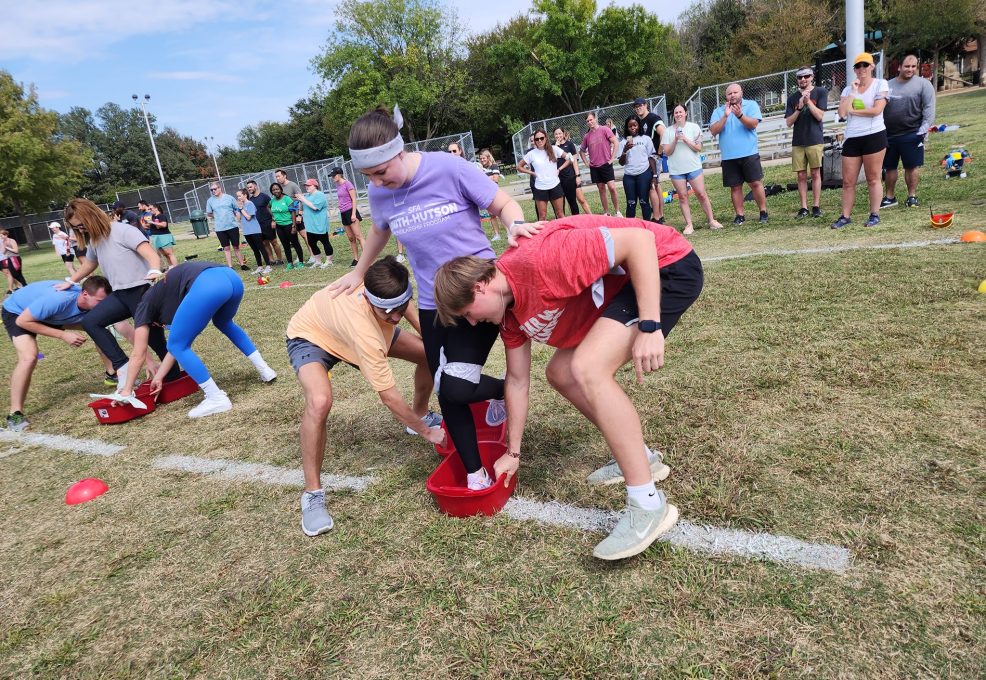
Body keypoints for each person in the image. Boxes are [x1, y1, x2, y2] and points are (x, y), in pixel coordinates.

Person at [432, 213, 703, 560]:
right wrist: (513, 453)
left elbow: (640, 242)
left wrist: (650, 325)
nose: (473, 322)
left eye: (469, 312)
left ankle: (647, 504)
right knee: (560, 372)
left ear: (480, 287)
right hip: (629, 285)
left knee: (587, 368)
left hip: (666, 267)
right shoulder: (508, 314)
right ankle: (643, 459)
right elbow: (516, 381)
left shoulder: (539, 260)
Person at [329, 105, 528, 491]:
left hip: (476, 293)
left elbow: (502, 204)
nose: (378, 183)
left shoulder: (448, 169)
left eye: (382, 172)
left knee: (456, 386)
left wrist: (515, 225)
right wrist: (357, 270)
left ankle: (508, 388)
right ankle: (474, 473)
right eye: (368, 176)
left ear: (398, 152)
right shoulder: (379, 191)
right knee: (444, 384)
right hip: (432, 304)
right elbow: (379, 231)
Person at [287, 256, 445, 535]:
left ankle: (419, 412)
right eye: (388, 312)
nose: (396, 317)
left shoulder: (384, 288)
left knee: (429, 354)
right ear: (369, 300)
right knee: (320, 401)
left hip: (349, 325)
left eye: (399, 307)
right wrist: (427, 433)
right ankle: (312, 495)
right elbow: (389, 398)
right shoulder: (365, 333)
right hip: (312, 335)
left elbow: (402, 309)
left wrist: (436, 344)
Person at [114, 261, 277, 418]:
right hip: (231, 277)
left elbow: (139, 351)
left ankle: (216, 398)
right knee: (223, 322)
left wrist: (127, 390)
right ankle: (265, 369)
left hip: (209, 284)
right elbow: (177, 347)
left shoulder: (144, 307)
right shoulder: (167, 294)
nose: (164, 326)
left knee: (178, 344)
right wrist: (159, 377)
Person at [60, 198, 176, 389]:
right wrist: (71, 281)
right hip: (120, 295)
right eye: (76, 228)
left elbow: (151, 254)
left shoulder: (123, 231)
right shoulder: (95, 240)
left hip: (141, 292)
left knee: (155, 340)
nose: (81, 230)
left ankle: (172, 377)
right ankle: (122, 364)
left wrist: (154, 270)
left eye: (81, 225)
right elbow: (90, 263)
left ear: (91, 216)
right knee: (91, 322)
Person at [3, 277, 112, 431]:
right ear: (85, 295)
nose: (103, 306)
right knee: (29, 357)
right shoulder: (59, 300)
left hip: (51, 315)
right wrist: (63, 335)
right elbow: (23, 321)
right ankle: (15, 414)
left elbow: (124, 328)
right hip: (18, 313)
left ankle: (112, 373)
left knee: (98, 328)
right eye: (100, 301)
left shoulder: (88, 303)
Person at [832, 52, 890, 229]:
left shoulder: (881, 84)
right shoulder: (848, 89)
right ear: (854, 70)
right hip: (852, 137)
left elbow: (876, 111)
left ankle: (874, 214)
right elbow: (842, 113)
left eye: (865, 65)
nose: (862, 69)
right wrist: (853, 93)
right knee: (848, 181)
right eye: (858, 66)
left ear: (872, 66)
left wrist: (854, 111)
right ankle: (845, 216)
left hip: (874, 135)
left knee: (873, 178)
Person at [709, 83, 769, 225]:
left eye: (735, 92)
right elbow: (713, 130)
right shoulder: (718, 111)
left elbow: (753, 124)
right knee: (735, 187)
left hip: (749, 153)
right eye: (730, 93)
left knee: (755, 183)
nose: (733, 95)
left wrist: (740, 115)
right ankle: (740, 215)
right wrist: (725, 115)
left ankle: (763, 211)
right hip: (729, 156)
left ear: (741, 93)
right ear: (726, 96)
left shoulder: (751, 105)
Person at [881, 54, 936, 209]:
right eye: (907, 66)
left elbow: (929, 108)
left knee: (911, 167)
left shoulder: (923, 85)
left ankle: (912, 196)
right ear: (899, 67)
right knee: (889, 167)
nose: (910, 69)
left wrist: (924, 129)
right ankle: (889, 197)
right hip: (889, 134)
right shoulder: (887, 85)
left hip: (912, 133)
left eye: (913, 66)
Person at [661, 104, 723, 233]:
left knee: (701, 194)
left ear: (686, 113)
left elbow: (698, 148)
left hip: (693, 167)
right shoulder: (668, 131)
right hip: (677, 170)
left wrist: (685, 139)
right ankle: (689, 224)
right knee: (683, 197)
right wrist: (675, 140)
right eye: (676, 112)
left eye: (680, 112)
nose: (678, 114)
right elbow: (667, 152)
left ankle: (711, 220)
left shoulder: (694, 127)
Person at [785, 66, 828, 219]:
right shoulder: (792, 98)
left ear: (812, 77)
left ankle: (816, 206)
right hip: (798, 141)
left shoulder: (821, 92)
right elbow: (789, 122)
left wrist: (808, 102)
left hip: (814, 139)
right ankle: (803, 207)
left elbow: (819, 116)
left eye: (806, 76)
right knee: (801, 176)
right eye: (800, 77)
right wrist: (799, 107)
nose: (803, 79)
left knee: (816, 173)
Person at [518, 129, 571, 221]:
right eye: (537, 139)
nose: (539, 141)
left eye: (541, 138)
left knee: (560, 214)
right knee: (542, 216)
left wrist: (559, 169)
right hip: (540, 188)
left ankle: (563, 234)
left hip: (555, 185)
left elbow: (569, 158)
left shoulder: (554, 149)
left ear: (546, 138)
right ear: (534, 141)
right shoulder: (531, 154)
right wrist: (532, 173)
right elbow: (519, 167)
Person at [580, 112, 622, 217]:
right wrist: (586, 162)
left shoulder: (604, 129)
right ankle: (606, 213)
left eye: (591, 119)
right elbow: (581, 151)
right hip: (594, 167)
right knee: (601, 189)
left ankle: (617, 211)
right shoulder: (587, 136)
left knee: (612, 187)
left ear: (595, 118)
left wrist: (612, 158)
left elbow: (616, 142)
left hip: (606, 164)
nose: (590, 122)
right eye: (587, 121)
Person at [633, 97, 667, 223]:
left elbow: (663, 133)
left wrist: (658, 153)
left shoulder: (653, 118)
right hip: (645, 159)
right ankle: (660, 215)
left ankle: (657, 216)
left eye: (640, 105)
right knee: (656, 186)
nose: (638, 108)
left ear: (646, 105)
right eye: (636, 107)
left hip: (653, 158)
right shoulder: (639, 121)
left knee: (652, 186)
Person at [618, 116, 657, 221]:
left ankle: (647, 225)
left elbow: (651, 158)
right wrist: (625, 150)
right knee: (631, 203)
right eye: (630, 126)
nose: (632, 128)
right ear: (627, 128)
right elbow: (621, 163)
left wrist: (654, 175)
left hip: (644, 174)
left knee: (644, 202)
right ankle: (631, 229)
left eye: (635, 125)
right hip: (629, 177)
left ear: (639, 126)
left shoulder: (646, 139)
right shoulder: (623, 143)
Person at [205, 182, 249, 270]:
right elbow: (209, 213)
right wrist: (218, 216)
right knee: (226, 248)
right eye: (211, 190)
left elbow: (236, 209)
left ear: (219, 188)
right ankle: (230, 266)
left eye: (215, 189)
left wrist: (237, 218)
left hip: (232, 226)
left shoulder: (229, 198)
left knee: (236, 246)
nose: (213, 191)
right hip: (220, 228)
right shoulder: (210, 201)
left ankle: (242, 264)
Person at [275, 169, 315, 262]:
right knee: (293, 237)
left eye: (279, 176)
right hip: (287, 218)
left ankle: (313, 255)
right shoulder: (279, 188)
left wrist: (299, 214)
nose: (277, 178)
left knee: (304, 235)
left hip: (296, 215)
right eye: (276, 177)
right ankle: (298, 256)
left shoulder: (293, 185)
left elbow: (301, 199)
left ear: (284, 176)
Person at [329, 168, 366, 266]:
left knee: (358, 236)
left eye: (334, 175)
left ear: (339, 174)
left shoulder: (347, 184)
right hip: (343, 213)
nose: (332, 177)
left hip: (351, 212)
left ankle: (367, 259)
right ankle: (356, 259)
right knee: (351, 238)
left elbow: (354, 199)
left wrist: (353, 214)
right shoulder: (338, 185)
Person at [553, 128, 592, 216]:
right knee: (562, 203)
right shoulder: (552, 146)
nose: (558, 136)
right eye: (556, 134)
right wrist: (556, 146)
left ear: (563, 134)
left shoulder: (570, 145)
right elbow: (552, 160)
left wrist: (577, 176)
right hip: (558, 179)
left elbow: (574, 161)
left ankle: (585, 218)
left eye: (560, 133)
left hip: (570, 177)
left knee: (576, 200)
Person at [295, 179, 332, 268]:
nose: (306, 187)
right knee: (312, 243)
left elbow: (315, 207)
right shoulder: (307, 196)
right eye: (306, 186)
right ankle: (318, 261)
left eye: (309, 185)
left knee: (325, 242)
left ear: (315, 186)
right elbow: (303, 207)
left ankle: (329, 261)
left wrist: (303, 199)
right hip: (309, 225)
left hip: (320, 224)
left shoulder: (320, 195)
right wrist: (299, 214)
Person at [245, 180, 283, 265]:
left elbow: (273, 209)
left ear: (255, 186)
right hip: (258, 225)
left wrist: (273, 220)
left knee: (274, 242)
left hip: (268, 223)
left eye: (250, 187)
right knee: (265, 243)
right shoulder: (250, 200)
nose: (249, 189)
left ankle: (280, 259)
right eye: (248, 188)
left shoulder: (264, 197)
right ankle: (271, 260)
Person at [235, 188, 272, 275]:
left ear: (245, 195)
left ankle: (268, 266)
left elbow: (248, 217)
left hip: (255, 230)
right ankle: (259, 266)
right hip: (247, 231)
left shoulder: (250, 204)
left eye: (239, 196)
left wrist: (241, 209)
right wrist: (237, 210)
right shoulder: (241, 206)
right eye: (237, 196)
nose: (238, 198)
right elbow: (238, 218)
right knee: (255, 250)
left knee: (261, 248)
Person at [269, 182, 305, 270]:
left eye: (277, 189)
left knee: (295, 244)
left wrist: (294, 226)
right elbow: (268, 207)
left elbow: (293, 212)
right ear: (272, 192)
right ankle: (290, 263)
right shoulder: (272, 201)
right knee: (285, 245)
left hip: (289, 225)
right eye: (273, 190)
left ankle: (301, 262)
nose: (275, 191)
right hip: (279, 226)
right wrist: (273, 218)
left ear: (281, 190)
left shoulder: (287, 199)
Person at [478, 150, 504, 239]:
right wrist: (489, 178)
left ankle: (509, 232)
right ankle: (497, 235)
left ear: (488, 157)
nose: (482, 160)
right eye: (480, 158)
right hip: (486, 194)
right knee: (492, 215)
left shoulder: (494, 166)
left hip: (495, 193)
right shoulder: (480, 169)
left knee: (500, 214)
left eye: (483, 158)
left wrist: (485, 179)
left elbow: (496, 179)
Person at [147, 203, 179, 269]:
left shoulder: (161, 216)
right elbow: (157, 226)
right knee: (165, 255)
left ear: (156, 208)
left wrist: (152, 222)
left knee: (169, 254)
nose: (149, 210)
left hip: (164, 237)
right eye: (149, 209)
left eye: (151, 209)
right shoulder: (153, 216)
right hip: (156, 237)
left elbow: (164, 225)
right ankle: (171, 268)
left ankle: (176, 268)